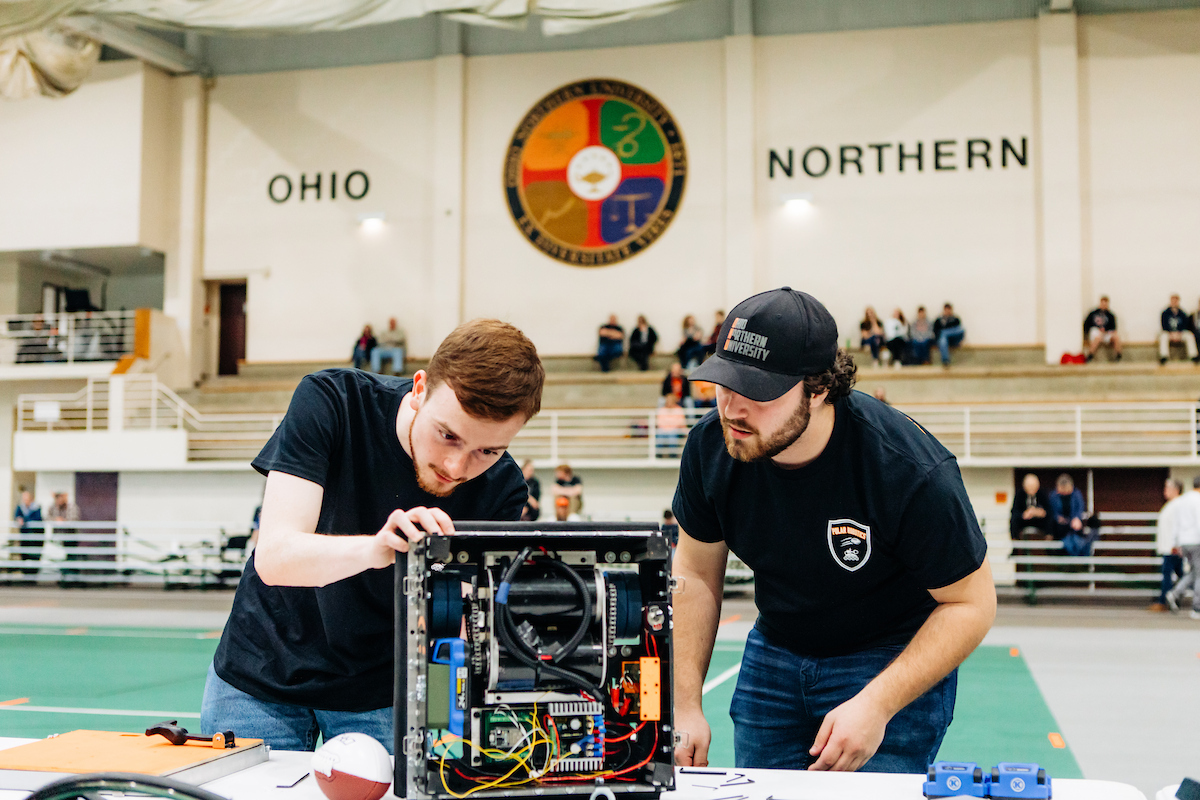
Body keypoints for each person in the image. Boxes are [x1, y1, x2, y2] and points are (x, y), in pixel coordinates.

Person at [671, 287, 994, 772]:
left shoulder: (907, 468)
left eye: (757, 391)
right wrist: (684, 704)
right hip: (776, 648)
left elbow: (972, 603)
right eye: (723, 383)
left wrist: (878, 704)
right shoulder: (710, 448)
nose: (732, 408)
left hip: (888, 656)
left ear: (818, 389)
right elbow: (694, 575)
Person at [201, 319, 545, 753]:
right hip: (260, 677)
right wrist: (377, 547)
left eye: (487, 451)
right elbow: (274, 558)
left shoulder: (503, 488)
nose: (457, 467)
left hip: (381, 696)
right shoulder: (332, 401)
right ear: (419, 388)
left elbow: (455, 621)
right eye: (448, 435)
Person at [1165, 476, 1200, 619]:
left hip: (1184, 542)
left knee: (1194, 572)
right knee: (1199, 575)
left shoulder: (1183, 500)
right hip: (1196, 541)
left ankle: (1175, 593)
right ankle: (1197, 608)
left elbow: (1177, 523)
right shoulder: (1198, 500)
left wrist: (1175, 543)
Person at [1150, 479, 1185, 612]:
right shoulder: (1171, 505)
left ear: (1176, 490)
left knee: (1168, 573)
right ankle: (1172, 598)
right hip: (1168, 546)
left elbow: (1179, 526)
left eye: (1167, 488)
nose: (1165, 490)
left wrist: (1176, 544)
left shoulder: (1177, 505)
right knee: (1181, 575)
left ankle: (1163, 601)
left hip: (1172, 547)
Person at [1158, 294, 1198, 365]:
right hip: (1169, 333)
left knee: (1189, 335)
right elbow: (1164, 325)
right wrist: (1171, 333)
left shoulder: (1182, 313)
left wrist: (1179, 333)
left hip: (1180, 334)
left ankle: (1193, 355)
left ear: (1178, 302)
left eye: (1176, 301)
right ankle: (1164, 356)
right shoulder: (1165, 313)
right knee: (1163, 336)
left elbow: (1185, 325)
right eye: (1173, 301)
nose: (1174, 302)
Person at [12, 489, 43, 578]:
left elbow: (37, 519)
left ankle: (33, 575)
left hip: (35, 537)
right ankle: (25, 575)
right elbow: (16, 516)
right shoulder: (20, 507)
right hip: (24, 536)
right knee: (24, 554)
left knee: (35, 556)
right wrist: (18, 519)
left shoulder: (36, 508)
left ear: (31, 499)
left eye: (27, 498)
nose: (25, 500)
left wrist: (24, 521)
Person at [1009, 474, 1049, 540]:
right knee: (1014, 519)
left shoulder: (1042, 494)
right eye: (1030, 486)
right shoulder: (1019, 495)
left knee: (1049, 519)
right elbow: (1014, 511)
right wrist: (1024, 514)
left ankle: (1048, 540)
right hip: (1024, 521)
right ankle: (1015, 542)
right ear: (1024, 486)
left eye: (1033, 486)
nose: (1032, 489)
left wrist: (1039, 512)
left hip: (1039, 521)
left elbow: (1048, 510)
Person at [1047, 474, 1086, 541]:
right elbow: (1051, 510)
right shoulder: (1053, 496)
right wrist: (1058, 517)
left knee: (1077, 528)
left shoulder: (1077, 494)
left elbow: (1080, 508)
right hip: (1059, 525)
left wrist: (1076, 518)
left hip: (1073, 522)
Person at [1084, 296, 1122, 362]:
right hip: (1096, 331)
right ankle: (1090, 355)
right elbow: (1086, 324)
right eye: (1102, 303)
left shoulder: (1110, 315)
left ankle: (1118, 355)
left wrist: (1106, 330)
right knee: (1098, 337)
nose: (1104, 305)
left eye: (1105, 304)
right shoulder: (1093, 313)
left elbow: (1113, 328)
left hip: (1106, 333)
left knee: (1116, 337)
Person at [933, 303, 965, 367]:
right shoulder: (938, 320)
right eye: (946, 310)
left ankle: (944, 333)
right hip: (943, 341)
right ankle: (945, 360)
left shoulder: (955, 319)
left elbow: (958, 331)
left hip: (953, 338)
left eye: (949, 310)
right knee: (943, 339)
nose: (947, 312)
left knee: (961, 330)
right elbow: (935, 331)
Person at [655, 393, 687, 457]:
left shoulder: (679, 409)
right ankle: (659, 453)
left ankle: (673, 454)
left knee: (672, 433)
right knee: (660, 432)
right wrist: (667, 427)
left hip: (674, 429)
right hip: (663, 429)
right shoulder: (662, 410)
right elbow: (659, 422)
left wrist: (671, 426)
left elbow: (681, 422)